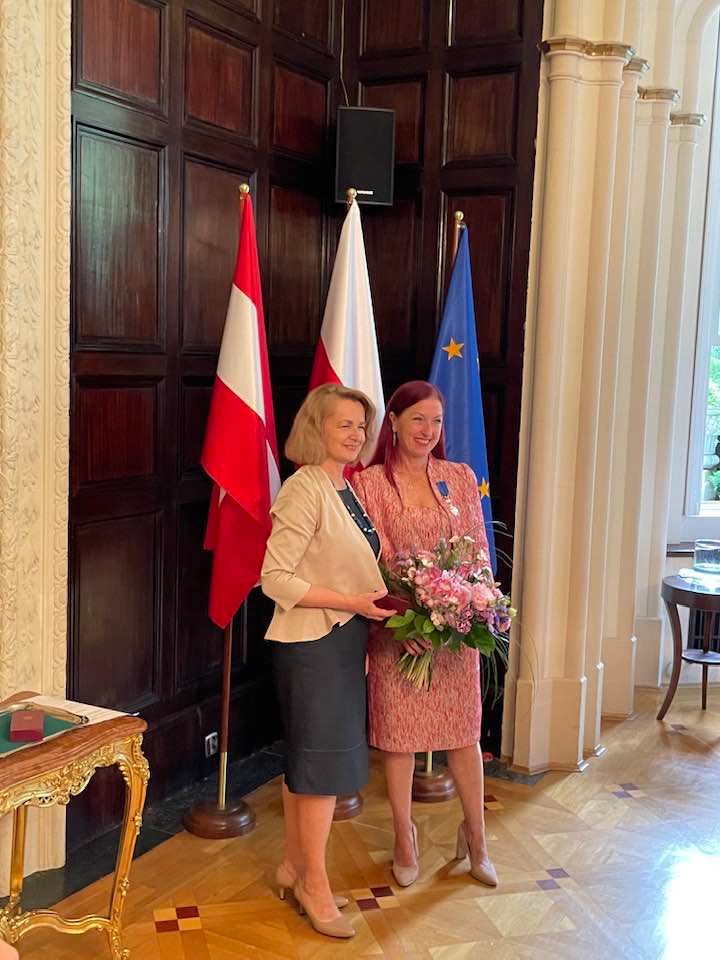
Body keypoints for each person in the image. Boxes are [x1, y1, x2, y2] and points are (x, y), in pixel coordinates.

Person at [353, 380, 498, 889]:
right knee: (399, 738)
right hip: (400, 635)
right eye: (417, 418)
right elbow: (368, 562)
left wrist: (469, 605)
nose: (427, 430)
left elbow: (478, 552)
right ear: (393, 421)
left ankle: (476, 837)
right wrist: (398, 620)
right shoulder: (369, 484)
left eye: (436, 421)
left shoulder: (459, 477)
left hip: (454, 634)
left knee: (463, 734)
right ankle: (403, 835)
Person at [261, 383, 390, 940]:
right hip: (311, 644)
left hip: (341, 641)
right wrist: (352, 604)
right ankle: (314, 884)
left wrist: (364, 612)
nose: (357, 435)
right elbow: (274, 579)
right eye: (344, 424)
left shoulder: (345, 487)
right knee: (322, 770)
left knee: (310, 765)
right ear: (317, 428)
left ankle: (294, 868)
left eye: (361, 426)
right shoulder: (303, 488)